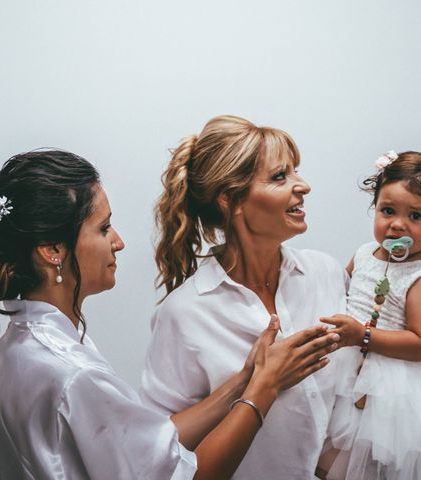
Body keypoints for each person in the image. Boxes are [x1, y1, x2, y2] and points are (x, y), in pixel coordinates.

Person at [0, 150, 340, 480]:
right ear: (53, 250)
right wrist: (265, 389)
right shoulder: (75, 374)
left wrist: (242, 382)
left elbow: (150, 445)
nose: (118, 242)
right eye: (103, 227)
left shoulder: (22, 342)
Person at [141, 115, 348, 479]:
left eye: (295, 172)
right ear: (231, 200)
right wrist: (250, 383)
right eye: (280, 176)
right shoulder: (186, 313)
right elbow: (159, 450)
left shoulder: (326, 274)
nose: (304, 186)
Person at [320, 151, 421, 479]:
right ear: (375, 207)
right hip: (345, 370)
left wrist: (362, 335)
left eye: (416, 216)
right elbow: (342, 292)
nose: (397, 224)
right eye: (388, 210)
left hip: (390, 388)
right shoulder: (364, 254)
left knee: (370, 462)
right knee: (324, 456)